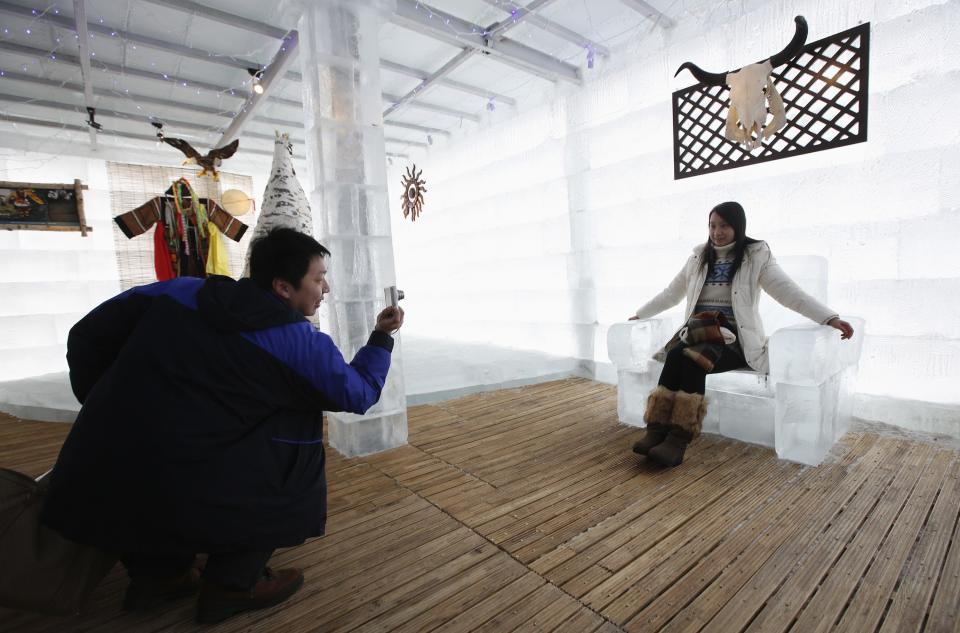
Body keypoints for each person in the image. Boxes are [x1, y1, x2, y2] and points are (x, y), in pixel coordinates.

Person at [40, 227, 404, 624]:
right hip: (194, 474)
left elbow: (87, 334)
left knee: (159, 453)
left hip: (104, 460)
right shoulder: (297, 342)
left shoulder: (180, 291)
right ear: (283, 287)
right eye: (318, 278)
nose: (326, 288)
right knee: (293, 454)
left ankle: (162, 576)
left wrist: (105, 400)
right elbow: (358, 394)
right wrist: (381, 337)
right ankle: (232, 584)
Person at [628, 202, 853, 467]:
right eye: (712, 225)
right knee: (676, 353)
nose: (717, 232)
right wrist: (641, 313)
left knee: (689, 359)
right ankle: (656, 431)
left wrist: (829, 318)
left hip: (735, 341)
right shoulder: (698, 258)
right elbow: (671, 294)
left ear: (738, 227)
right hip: (698, 333)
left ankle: (677, 440)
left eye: (724, 225)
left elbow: (789, 292)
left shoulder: (755, 256)